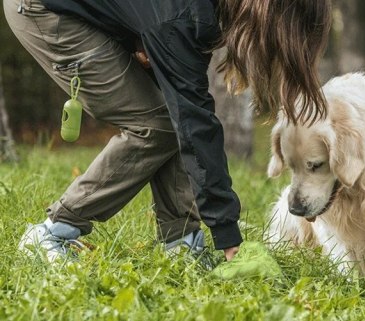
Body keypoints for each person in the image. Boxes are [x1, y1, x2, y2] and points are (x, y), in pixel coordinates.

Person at [4, 0, 332, 263]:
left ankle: (181, 242)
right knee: (155, 125)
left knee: (170, 113)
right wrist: (227, 233)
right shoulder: (184, 16)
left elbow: (186, 104)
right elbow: (195, 122)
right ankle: (53, 231)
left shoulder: (205, 13)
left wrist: (138, 35)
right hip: (44, 10)